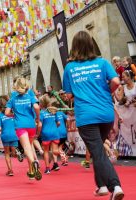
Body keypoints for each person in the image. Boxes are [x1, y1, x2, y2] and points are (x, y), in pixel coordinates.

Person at [62, 31, 124, 199]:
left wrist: (77, 93)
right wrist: (107, 92)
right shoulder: (102, 62)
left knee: (97, 151)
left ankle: (115, 186)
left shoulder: (70, 67)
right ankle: (102, 186)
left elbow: (68, 95)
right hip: (106, 113)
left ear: (74, 48)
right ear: (91, 45)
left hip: (86, 115)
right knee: (97, 150)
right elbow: (117, 82)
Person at [5, 77, 42, 181]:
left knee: (26, 148)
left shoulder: (13, 98)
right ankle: (31, 171)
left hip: (20, 126)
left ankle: (34, 162)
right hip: (31, 124)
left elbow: (6, 113)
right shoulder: (30, 96)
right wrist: (38, 119)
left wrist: (14, 115)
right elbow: (37, 107)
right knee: (30, 146)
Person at [0, 97, 23, 176]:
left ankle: (10, 170)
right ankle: (17, 153)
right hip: (14, 134)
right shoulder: (12, 114)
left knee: (7, 153)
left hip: (5, 135)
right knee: (13, 153)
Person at [38, 95, 60, 174]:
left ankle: (47, 168)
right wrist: (54, 127)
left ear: (41, 104)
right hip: (54, 133)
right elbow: (58, 122)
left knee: (46, 151)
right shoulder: (54, 111)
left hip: (46, 133)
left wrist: (38, 133)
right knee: (54, 150)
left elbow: (40, 125)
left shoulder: (41, 113)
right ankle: (57, 161)